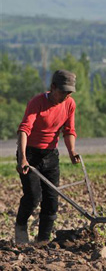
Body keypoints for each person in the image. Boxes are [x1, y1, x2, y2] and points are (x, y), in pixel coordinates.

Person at [15, 69, 81, 245]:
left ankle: (43, 240)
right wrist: (22, 159)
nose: (66, 96)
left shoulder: (69, 104)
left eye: (69, 93)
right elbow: (24, 130)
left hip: (51, 155)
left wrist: (72, 151)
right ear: (53, 87)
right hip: (30, 153)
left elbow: (69, 130)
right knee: (33, 197)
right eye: (63, 92)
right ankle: (21, 226)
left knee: (52, 200)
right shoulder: (37, 103)